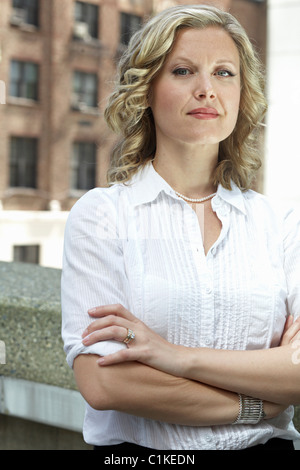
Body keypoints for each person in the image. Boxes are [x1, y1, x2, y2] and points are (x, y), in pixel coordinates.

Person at [61, 4, 300, 451]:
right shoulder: (103, 216)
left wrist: (173, 357)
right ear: (146, 90)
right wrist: (261, 402)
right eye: (184, 71)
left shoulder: (280, 226)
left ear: (242, 94)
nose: (206, 90)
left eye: (224, 73)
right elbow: (106, 385)